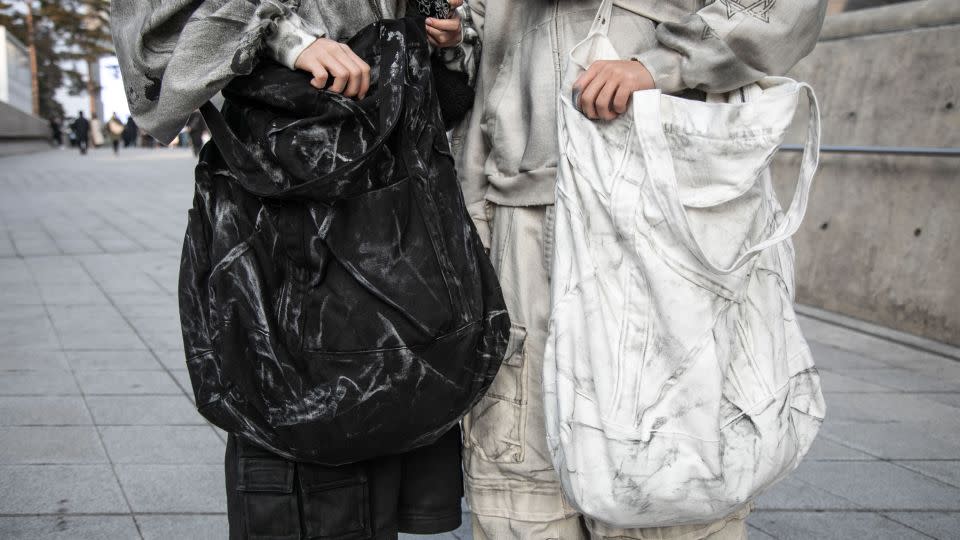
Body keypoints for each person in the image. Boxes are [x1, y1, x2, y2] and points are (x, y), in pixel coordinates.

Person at [453, 1, 828, 539]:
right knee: (523, 490)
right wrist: (456, 38)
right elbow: (488, 43)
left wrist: (662, 62)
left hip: (655, 200)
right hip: (518, 202)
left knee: (668, 481)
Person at [111, 1, 477, 538]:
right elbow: (154, 37)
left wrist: (443, 36)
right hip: (292, 202)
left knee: (382, 421)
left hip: (398, 203)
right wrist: (288, 38)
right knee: (306, 442)